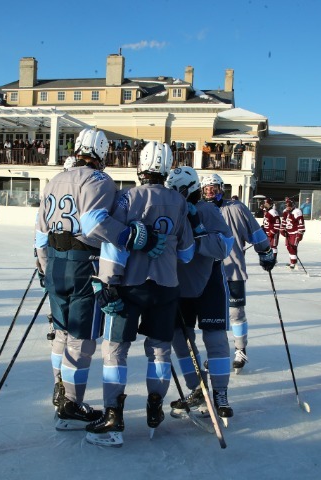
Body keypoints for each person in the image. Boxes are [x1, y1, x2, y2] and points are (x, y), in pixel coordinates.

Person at [36, 128, 167, 432]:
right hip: (83, 264)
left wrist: (44, 268)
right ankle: (70, 404)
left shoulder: (55, 179)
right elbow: (93, 223)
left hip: (55, 262)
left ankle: (60, 391)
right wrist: (134, 237)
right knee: (80, 340)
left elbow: (40, 233)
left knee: (61, 332)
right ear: (101, 153)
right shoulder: (98, 180)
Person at [84, 142, 195, 448]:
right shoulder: (180, 202)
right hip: (166, 287)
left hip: (129, 285)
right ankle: (155, 405)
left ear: (141, 167)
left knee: (115, 350)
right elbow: (186, 253)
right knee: (159, 351)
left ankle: (113, 416)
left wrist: (106, 282)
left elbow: (112, 243)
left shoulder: (127, 196)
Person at [164, 166, 235, 421]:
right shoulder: (170, 210)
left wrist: (198, 230)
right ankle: (197, 387)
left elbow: (224, 247)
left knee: (215, 339)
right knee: (180, 340)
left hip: (209, 284)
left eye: (177, 190)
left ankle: (220, 393)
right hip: (178, 286)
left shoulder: (207, 210)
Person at [201, 174, 276, 373]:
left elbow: (255, 232)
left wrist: (265, 251)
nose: (210, 191)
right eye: (207, 188)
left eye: (214, 187)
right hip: (206, 273)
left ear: (221, 188)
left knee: (236, 313)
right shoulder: (198, 210)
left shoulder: (236, 208)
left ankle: (240, 350)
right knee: (212, 316)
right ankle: (216, 353)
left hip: (233, 270)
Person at [280, 198, 305, 270]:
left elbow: (301, 223)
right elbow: (284, 221)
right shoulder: (285, 211)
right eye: (287, 206)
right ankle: (292, 261)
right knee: (288, 247)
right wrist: (282, 229)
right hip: (288, 232)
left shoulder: (297, 212)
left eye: (289, 206)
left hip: (295, 232)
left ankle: (293, 263)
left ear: (293, 205)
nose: (288, 208)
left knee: (293, 247)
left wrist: (300, 233)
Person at [262, 197, 281, 264]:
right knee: (268, 246)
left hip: (273, 232)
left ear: (270, 204)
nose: (265, 204)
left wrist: (272, 231)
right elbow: (266, 221)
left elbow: (277, 223)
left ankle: (274, 259)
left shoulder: (273, 212)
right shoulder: (267, 211)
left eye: (266, 203)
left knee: (273, 246)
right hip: (267, 232)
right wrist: (263, 227)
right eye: (265, 203)